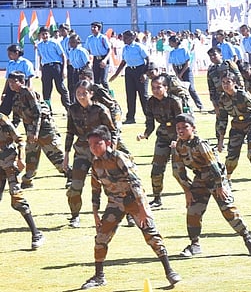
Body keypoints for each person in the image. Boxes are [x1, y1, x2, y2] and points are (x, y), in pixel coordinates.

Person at [79, 126, 181, 290]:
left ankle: (170, 272)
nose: (93, 148)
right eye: (90, 145)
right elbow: (95, 190)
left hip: (133, 200)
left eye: (97, 144)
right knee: (100, 238)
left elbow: (136, 183)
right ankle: (99, 276)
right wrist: (96, 214)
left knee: (152, 235)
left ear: (108, 142)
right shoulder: (96, 163)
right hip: (115, 203)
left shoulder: (119, 158)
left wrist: (143, 210)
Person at [171, 113, 251, 258]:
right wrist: (188, 191)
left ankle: (249, 240)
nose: (181, 131)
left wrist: (220, 186)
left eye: (185, 127)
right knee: (193, 211)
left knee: (228, 209)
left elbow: (214, 165)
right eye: (178, 128)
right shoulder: (178, 146)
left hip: (216, 178)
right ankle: (194, 244)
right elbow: (177, 172)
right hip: (200, 179)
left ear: (193, 128)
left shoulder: (200, 143)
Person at [64, 79, 118, 228]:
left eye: (84, 93)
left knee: (111, 185)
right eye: (78, 93)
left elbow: (112, 131)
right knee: (76, 185)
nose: (81, 96)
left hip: (100, 152)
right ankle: (75, 216)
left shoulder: (100, 110)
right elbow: (70, 132)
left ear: (91, 94)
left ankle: (124, 214)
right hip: (81, 152)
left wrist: (111, 150)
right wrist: (66, 154)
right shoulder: (72, 109)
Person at [7, 71, 67, 190]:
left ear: (22, 82)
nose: (11, 84)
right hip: (31, 130)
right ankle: (27, 180)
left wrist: (35, 132)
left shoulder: (28, 92)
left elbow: (37, 112)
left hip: (44, 128)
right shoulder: (16, 96)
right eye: (10, 82)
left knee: (55, 155)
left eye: (14, 82)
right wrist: (9, 131)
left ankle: (71, 176)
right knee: (31, 156)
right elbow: (16, 118)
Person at [215, 73, 251, 189]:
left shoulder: (242, 95)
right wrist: (220, 141)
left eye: (228, 82)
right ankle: (227, 180)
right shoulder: (223, 99)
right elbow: (222, 120)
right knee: (232, 156)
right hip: (236, 126)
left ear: (234, 83)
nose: (225, 85)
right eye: (223, 82)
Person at [0, 111, 44, 250]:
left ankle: (36, 234)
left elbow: (20, 139)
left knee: (17, 199)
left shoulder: (2, 119)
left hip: (9, 163)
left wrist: (21, 158)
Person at [138, 77, 182, 209]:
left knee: (179, 172)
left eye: (159, 87)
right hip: (162, 137)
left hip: (178, 137)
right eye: (153, 88)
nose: (156, 91)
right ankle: (157, 199)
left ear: (165, 88)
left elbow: (182, 122)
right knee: (156, 169)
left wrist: (178, 140)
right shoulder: (151, 102)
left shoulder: (174, 101)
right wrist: (145, 134)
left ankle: (192, 194)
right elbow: (150, 122)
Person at [107, 30, 149, 124]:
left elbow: (148, 59)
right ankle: (130, 117)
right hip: (129, 71)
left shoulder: (139, 47)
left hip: (140, 70)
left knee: (143, 95)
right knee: (130, 95)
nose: (124, 39)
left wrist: (145, 73)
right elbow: (123, 62)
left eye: (126, 37)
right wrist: (116, 74)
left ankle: (148, 117)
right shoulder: (125, 48)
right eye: (124, 37)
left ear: (132, 38)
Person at [35, 27, 70, 112]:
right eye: (43, 34)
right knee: (46, 89)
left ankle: (68, 108)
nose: (44, 36)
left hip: (56, 66)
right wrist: (40, 67)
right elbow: (40, 57)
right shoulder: (39, 45)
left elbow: (63, 56)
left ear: (49, 34)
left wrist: (64, 69)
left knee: (60, 87)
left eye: (46, 33)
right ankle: (48, 110)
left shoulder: (55, 43)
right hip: (46, 67)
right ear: (40, 35)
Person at [167, 35, 204, 111]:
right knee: (181, 89)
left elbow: (187, 62)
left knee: (191, 88)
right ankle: (185, 106)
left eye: (170, 42)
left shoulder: (183, 49)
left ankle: (200, 105)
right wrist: (177, 74)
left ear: (175, 42)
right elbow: (173, 64)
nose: (169, 44)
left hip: (185, 69)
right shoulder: (172, 52)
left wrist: (181, 73)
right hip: (178, 70)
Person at [1, 45, 35, 117]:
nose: (8, 56)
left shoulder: (26, 63)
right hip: (11, 88)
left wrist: (29, 90)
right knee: (4, 109)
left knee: (23, 109)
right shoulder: (10, 64)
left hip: (21, 87)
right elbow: (8, 79)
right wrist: (4, 92)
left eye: (10, 54)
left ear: (16, 53)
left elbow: (30, 77)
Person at [206, 46, 243, 114]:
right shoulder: (211, 70)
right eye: (210, 56)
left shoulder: (229, 64)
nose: (212, 57)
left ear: (221, 55)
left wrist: (241, 92)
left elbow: (239, 78)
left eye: (214, 55)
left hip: (234, 95)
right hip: (220, 98)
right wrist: (214, 102)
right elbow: (211, 87)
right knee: (221, 120)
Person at [66, 34, 91, 106]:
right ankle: (76, 104)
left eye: (73, 42)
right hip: (75, 70)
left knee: (83, 89)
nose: (71, 44)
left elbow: (87, 63)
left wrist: (86, 74)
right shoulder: (71, 51)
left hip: (83, 71)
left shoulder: (82, 51)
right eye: (70, 42)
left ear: (78, 42)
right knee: (74, 88)